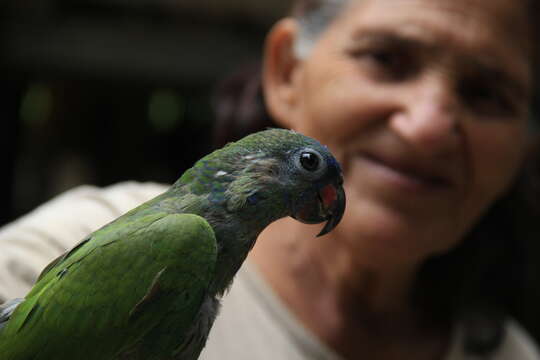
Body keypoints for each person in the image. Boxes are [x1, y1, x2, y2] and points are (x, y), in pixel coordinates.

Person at [1, 0, 539, 359]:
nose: (427, 127)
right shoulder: (93, 237)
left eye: (486, 95)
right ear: (284, 71)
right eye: (387, 59)